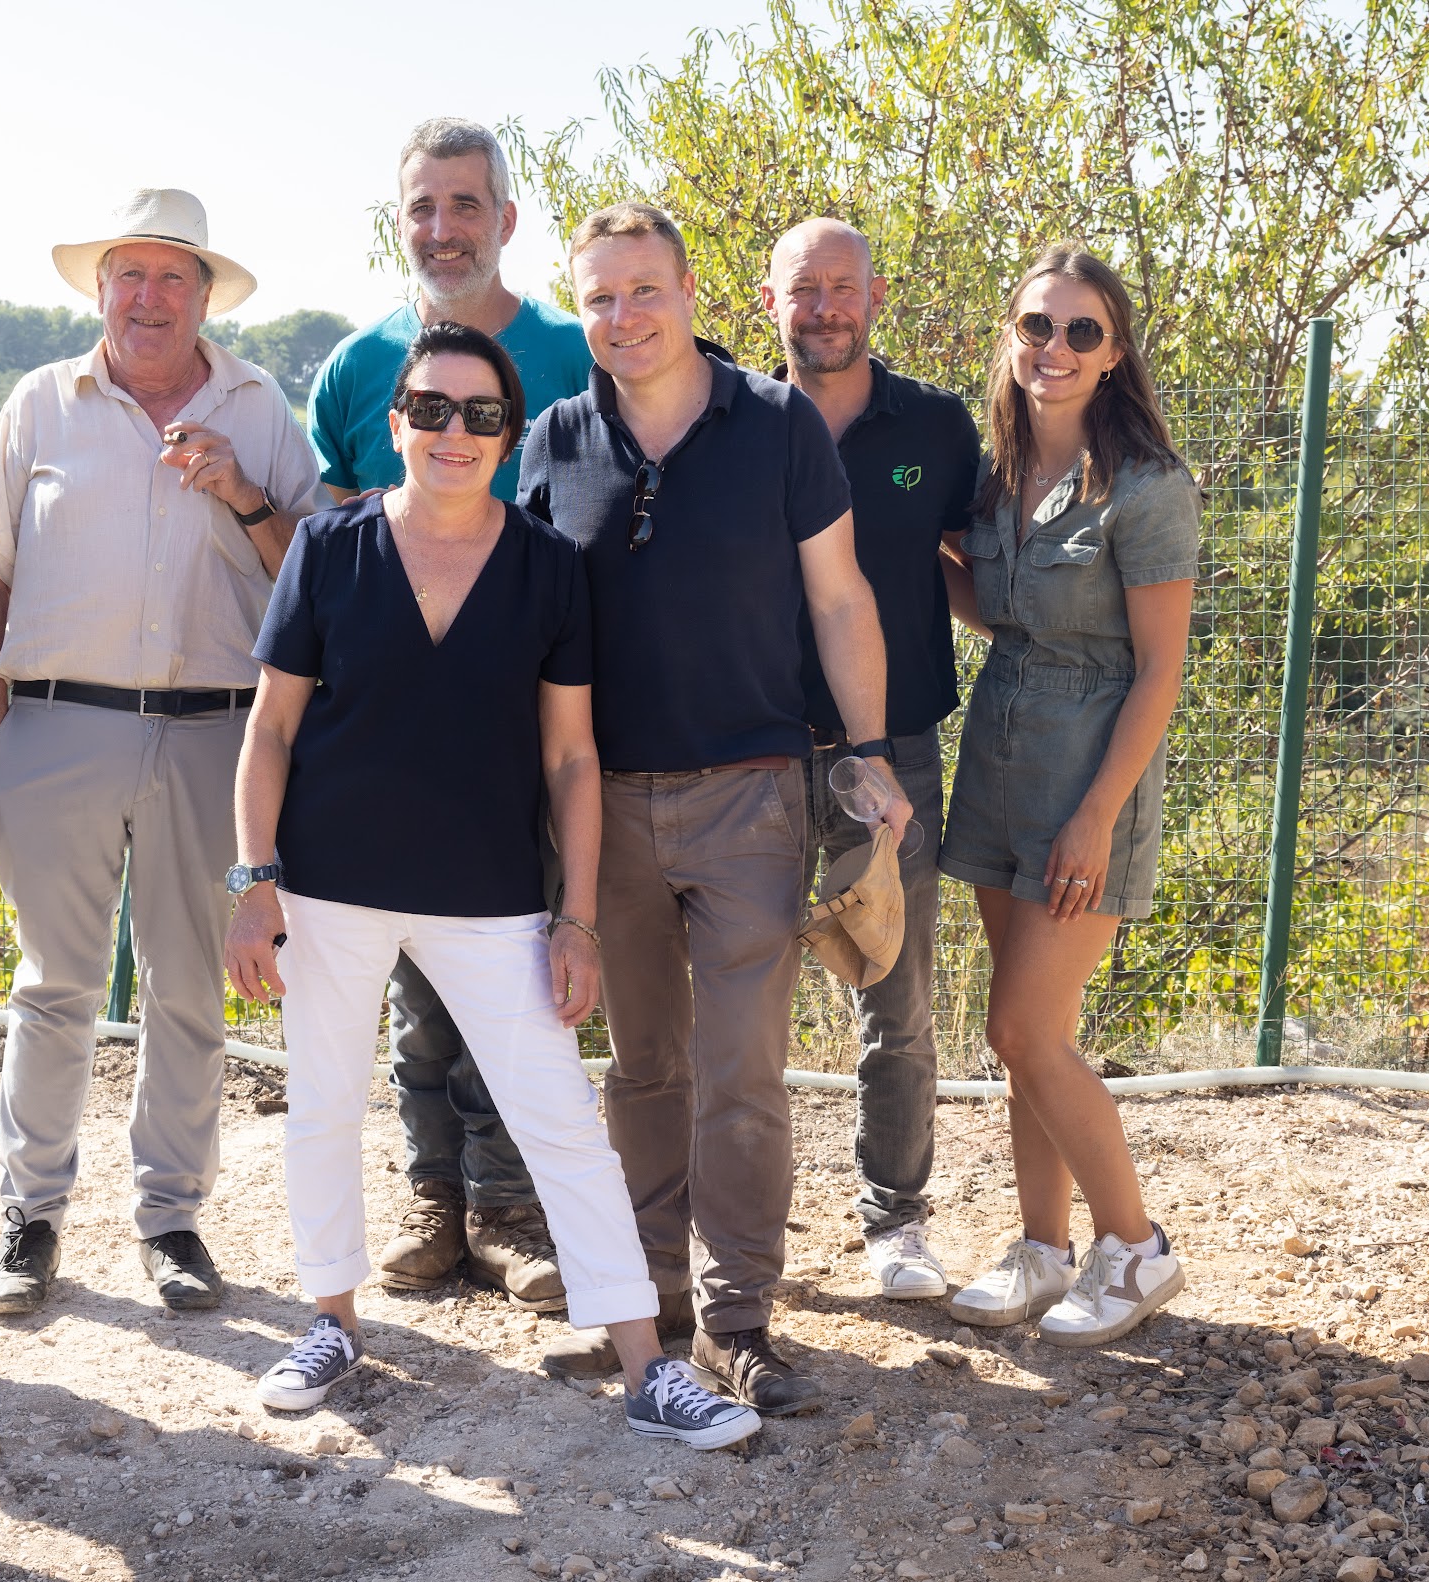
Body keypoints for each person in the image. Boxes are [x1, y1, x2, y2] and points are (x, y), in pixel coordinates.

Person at [227, 321, 757, 1452]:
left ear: (511, 436)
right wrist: (253, 879)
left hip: (491, 894)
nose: (451, 432)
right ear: (394, 423)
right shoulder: (326, 549)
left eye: (477, 415)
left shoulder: (547, 567)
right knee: (322, 1103)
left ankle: (645, 1366)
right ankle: (327, 1321)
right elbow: (270, 729)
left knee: (560, 1124)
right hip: (328, 884)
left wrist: (573, 915)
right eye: (429, 409)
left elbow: (570, 757)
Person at [519, 203, 907, 1416]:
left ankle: (738, 1319)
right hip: (601, 806)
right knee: (640, 1068)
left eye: (644, 290)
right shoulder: (549, 441)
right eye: (598, 297)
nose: (622, 317)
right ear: (577, 307)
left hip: (751, 793)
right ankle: (654, 1312)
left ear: (690, 293)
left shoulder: (779, 426)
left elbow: (839, 602)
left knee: (739, 1071)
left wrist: (869, 752)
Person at [0, 190, 323, 1317]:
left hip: (215, 730)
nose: (148, 298)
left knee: (187, 989)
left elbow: (311, 574)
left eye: (173, 278)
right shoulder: (37, 403)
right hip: (53, 728)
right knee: (52, 986)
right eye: (129, 275)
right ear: (100, 289)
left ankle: (171, 1221)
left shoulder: (259, 410)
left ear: (206, 296)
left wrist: (241, 492)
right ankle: (31, 1218)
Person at [305, 118, 595, 1309]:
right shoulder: (351, 370)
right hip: (394, 745)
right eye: (422, 207)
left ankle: (508, 1208)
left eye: (464, 205)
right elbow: (318, 561)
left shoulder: (579, 355)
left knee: (520, 981)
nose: (442, 228)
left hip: (545, 726)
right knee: (417, 993)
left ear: (505, 221)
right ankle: (434, 1202)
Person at [940, 246, 1197, 1345]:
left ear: (1114, 350)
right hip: (998, 756)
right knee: (1024, 1035)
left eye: (1079, 331)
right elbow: (997, 615)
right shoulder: (993, 473)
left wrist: (1094, 813)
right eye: (1035, 326)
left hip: (1085, 777)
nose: (1053, 348)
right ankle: (1041, 1250)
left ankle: (1132, 1248)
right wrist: (915, 556)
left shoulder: (1144, 488)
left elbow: (1158, 672)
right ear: (1009, 336)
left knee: (1021, 1026)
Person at [761, 219, 982, 1300]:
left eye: (842, 288)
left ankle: (894, 1221)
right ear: (770, 304)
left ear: (875, 297)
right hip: (746, 750)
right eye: (804, 290)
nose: (825, 309)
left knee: (893, 990)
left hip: (890, 755)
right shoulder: (731, 420)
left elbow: (970, 564)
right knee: (737, 992)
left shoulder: (936, 426)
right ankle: (739, 1227)